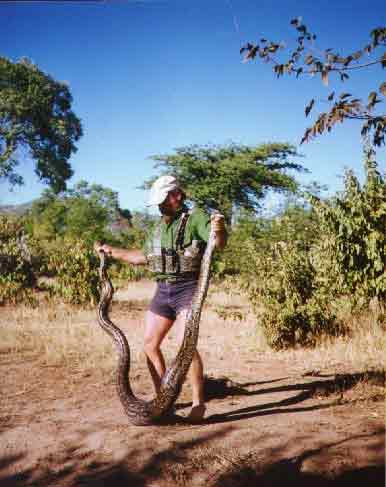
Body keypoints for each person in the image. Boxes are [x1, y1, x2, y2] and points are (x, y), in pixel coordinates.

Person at [94, 175, 227, 423]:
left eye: (163, 200)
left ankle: (199, 404)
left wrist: (219, 229)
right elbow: (140, 257)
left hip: (188, 289)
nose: (159, 206)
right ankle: (165, 400)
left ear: (176, 196)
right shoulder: (159, 226)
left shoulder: (196, 217)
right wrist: (111, 251)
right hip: (163, 291)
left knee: (185, 345)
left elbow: (217, 243)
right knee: (149, 344)